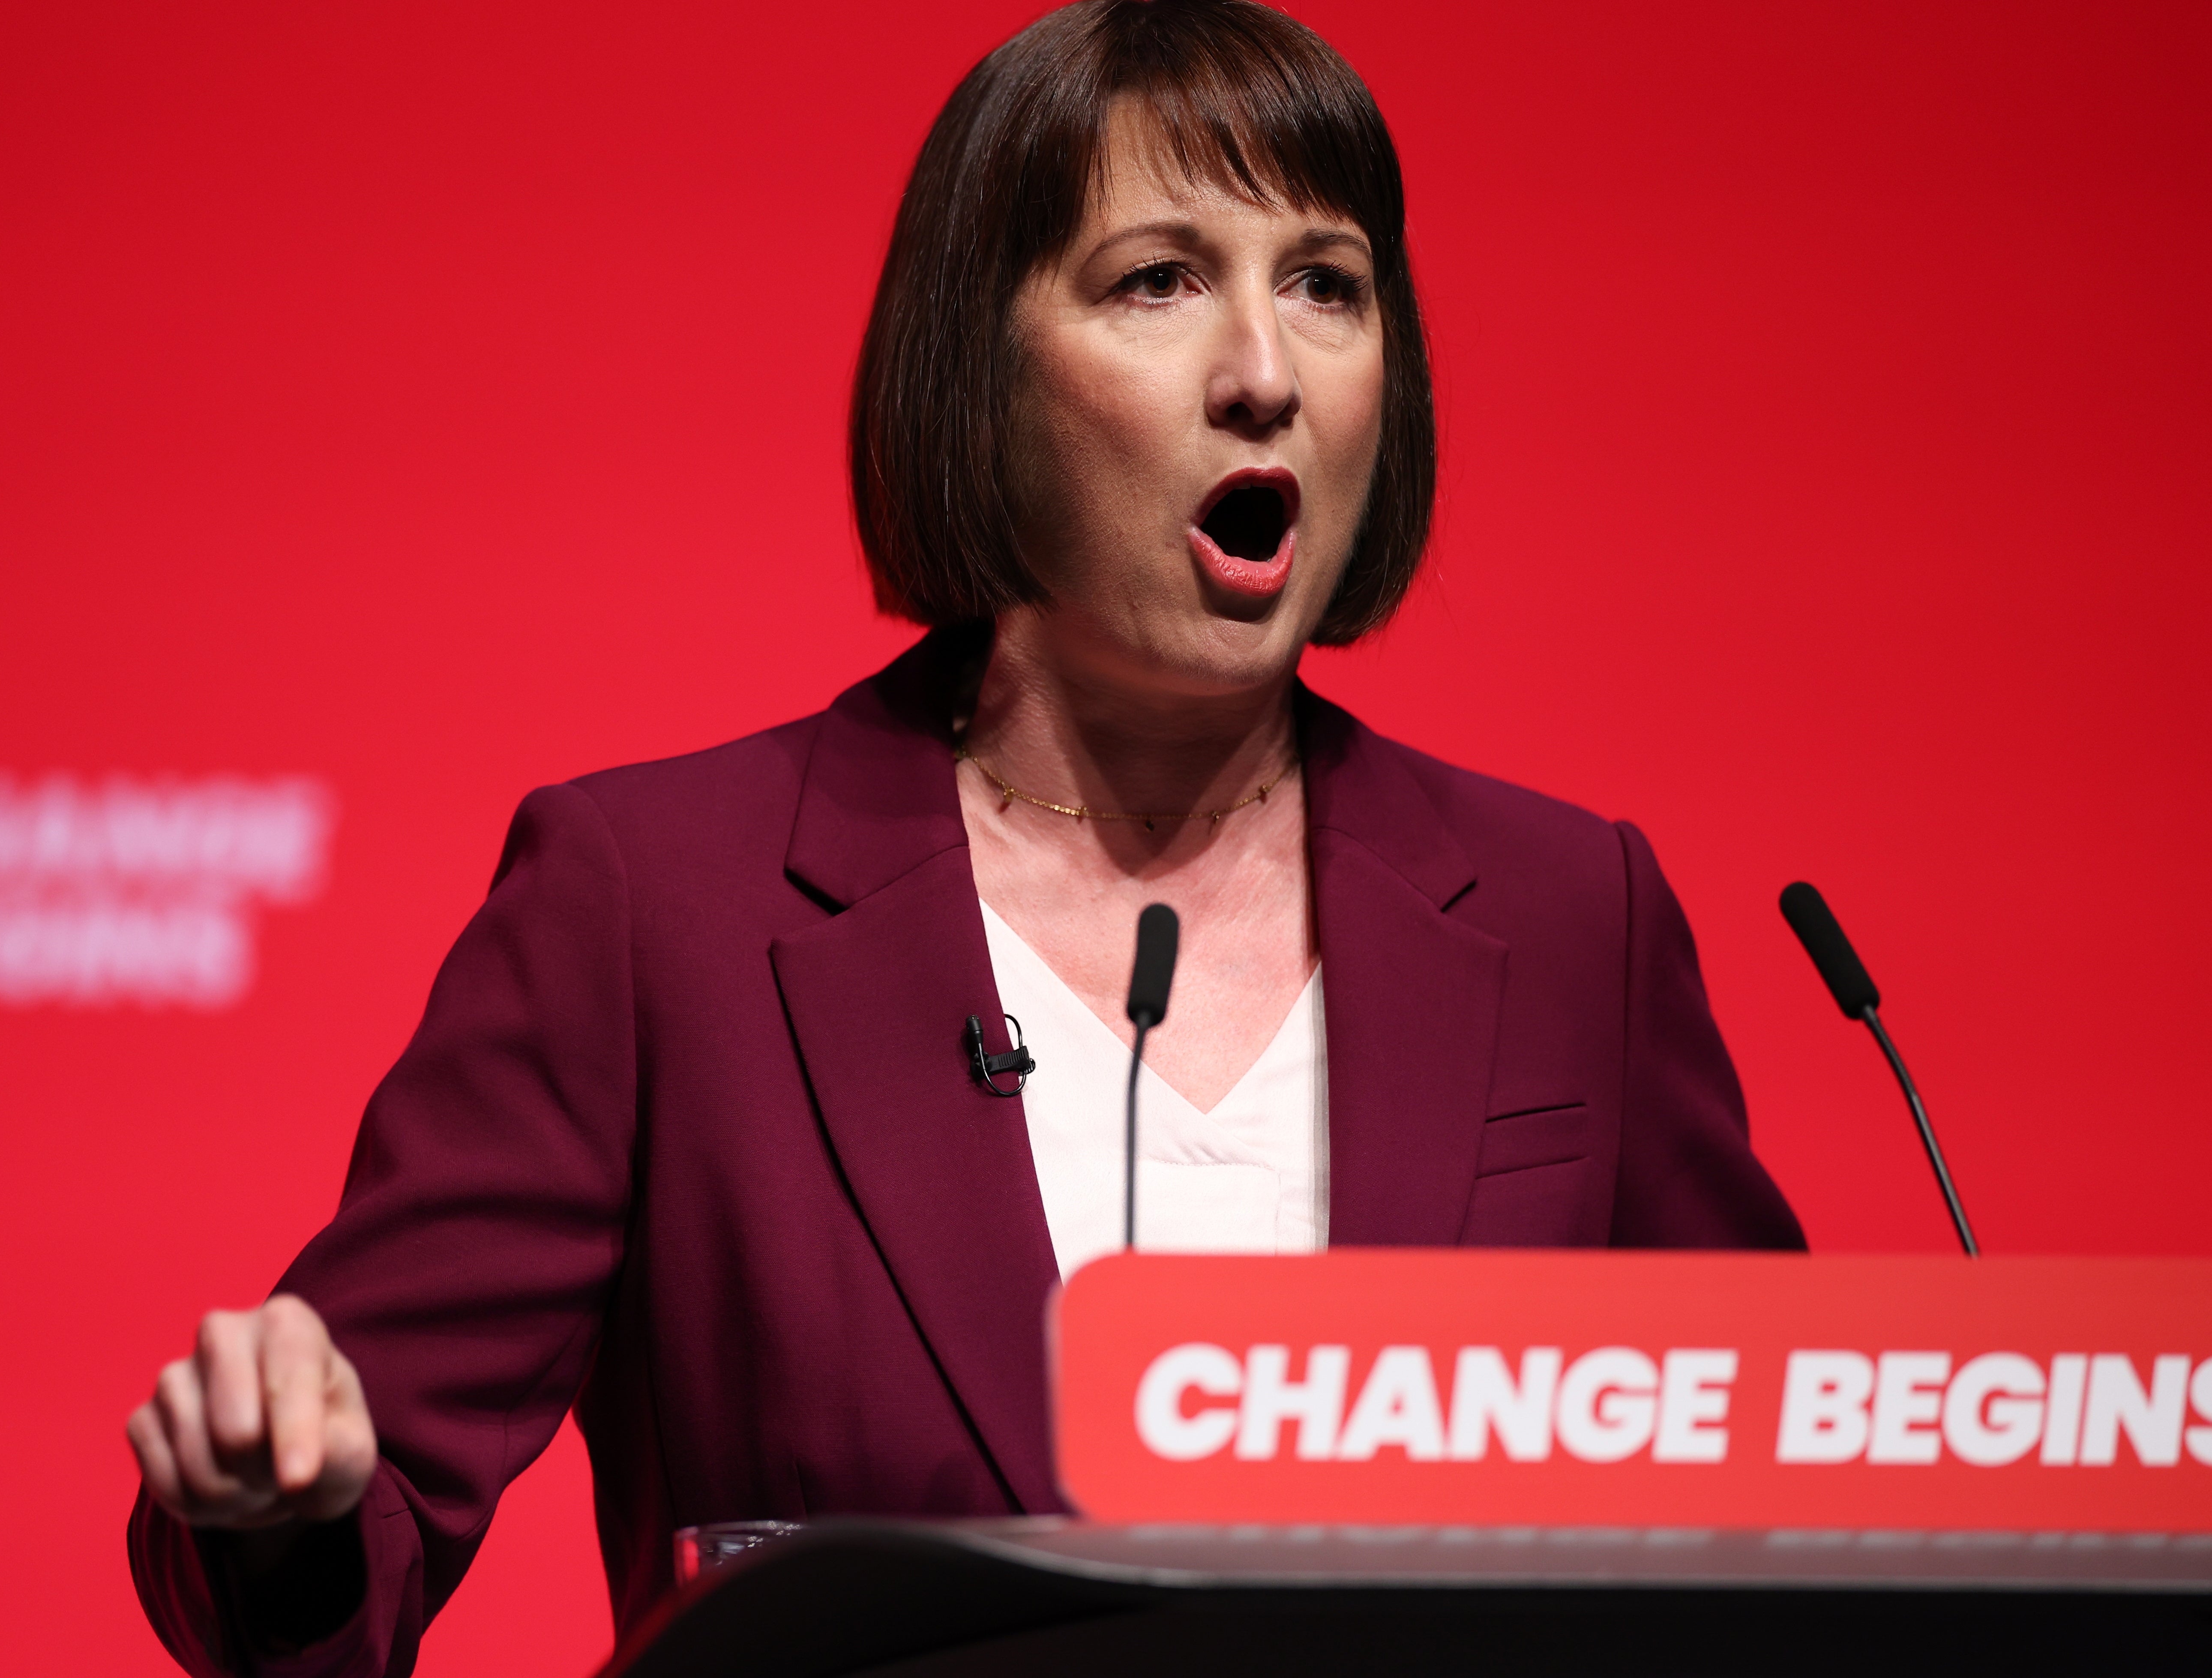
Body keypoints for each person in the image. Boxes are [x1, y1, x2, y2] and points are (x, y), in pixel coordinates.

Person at [126, 1, 1804, 1670]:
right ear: (981, 369)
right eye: (1158, 280)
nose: (1262, 374)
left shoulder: (1572, 916)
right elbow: (339, 1545)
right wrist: (280, 1507)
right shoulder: (655, 911)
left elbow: (1793, 1521)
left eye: (1325, 284)